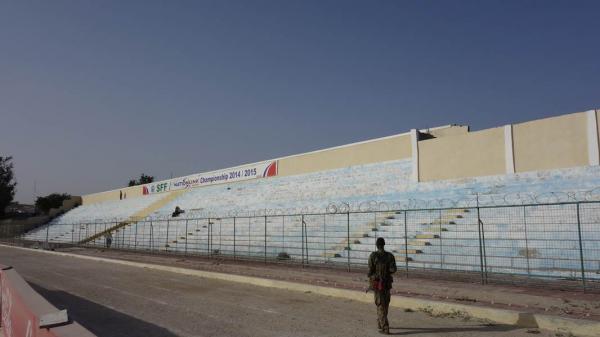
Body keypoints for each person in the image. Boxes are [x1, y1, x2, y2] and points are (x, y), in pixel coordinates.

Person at [368, 237, 397, 335]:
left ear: (376, 245)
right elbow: (393, 269)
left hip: (379, 284)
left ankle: (383, 325)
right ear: (384, 245)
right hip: (385, 284)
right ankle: (383, 324)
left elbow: (369, 272)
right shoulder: (390, 256)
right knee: (385, 305)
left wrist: (376, 276)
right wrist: (386, 272)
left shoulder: (373, 256)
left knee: (380, 305)